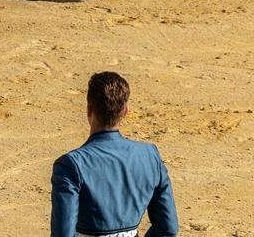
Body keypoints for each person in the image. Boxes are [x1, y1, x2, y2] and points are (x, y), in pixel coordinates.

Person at [51, 72, 179, 237]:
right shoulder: (150, 156)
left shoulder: (70, 165)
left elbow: (63, 234)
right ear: (126, 110)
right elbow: (168, 228)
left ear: (89, 110)